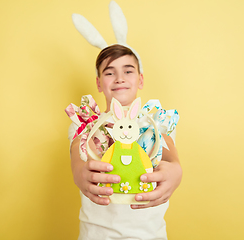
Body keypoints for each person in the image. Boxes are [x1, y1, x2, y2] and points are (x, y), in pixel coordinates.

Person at [68, 44, 182, 239]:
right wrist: (80, 173)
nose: (120, 78)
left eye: (128, 71)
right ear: (98, 83)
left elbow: (171, 160)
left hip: (149, 235)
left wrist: (176, 173)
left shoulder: (155, 123)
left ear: (140, 79)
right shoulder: (88, 124)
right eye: (109, 73)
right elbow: (77, 158)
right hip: (96, 234)